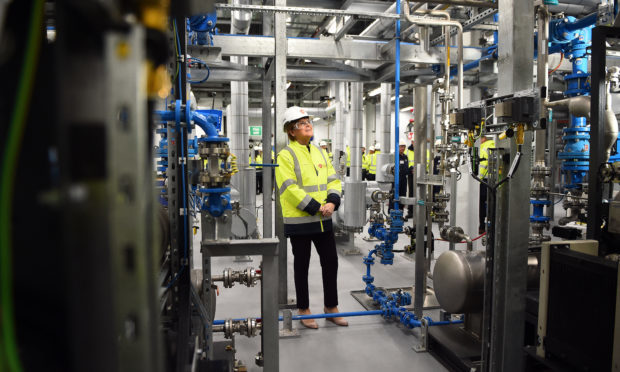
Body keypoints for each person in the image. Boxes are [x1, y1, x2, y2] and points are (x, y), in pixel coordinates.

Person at [275, 106, 347, 329]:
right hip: (301, 222)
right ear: (291, 131)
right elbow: (288, 188)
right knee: (302, 266)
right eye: (301, 123)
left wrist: (332, 202)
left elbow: (333, 180)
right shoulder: (285, 155)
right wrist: (317, 207)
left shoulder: (319, 152)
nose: (307, 125)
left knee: (331, 262)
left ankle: (331, 306)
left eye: (308, 121)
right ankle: (304, 308)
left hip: (324, 219)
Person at [478, 136, 495, 234]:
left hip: (483, 180)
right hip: (494, 180)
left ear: (483, 138)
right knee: (493, 203)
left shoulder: (482, 147)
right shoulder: (495, 144)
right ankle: (493, 225)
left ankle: (481, 226)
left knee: (481, 204)